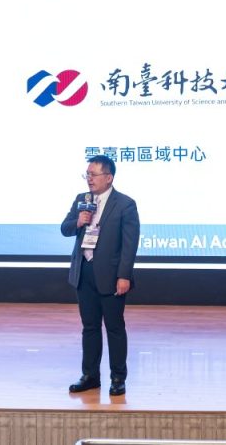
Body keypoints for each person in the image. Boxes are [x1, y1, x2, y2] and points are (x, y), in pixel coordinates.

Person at [60, 155, 140, 396]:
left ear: (109, 177)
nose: (89, 179)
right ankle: (90, 376)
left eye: (93, 175)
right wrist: (78, 221)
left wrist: (124, 276)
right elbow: (64, 228)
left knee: (114, 328)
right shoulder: (81, 200)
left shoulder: (125, 204)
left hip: (111, 276)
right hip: (84, 272)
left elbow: (129, 245)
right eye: (87, 174)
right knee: (90, 327)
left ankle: (118, 378)